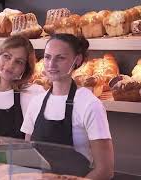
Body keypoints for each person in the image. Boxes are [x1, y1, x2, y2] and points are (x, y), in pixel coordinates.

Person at [21, 33, 114, 179]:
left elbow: (105, 170)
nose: (51, 64)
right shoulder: (36, 102)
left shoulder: (90, 105)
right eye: (47, 57)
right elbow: (28, 157)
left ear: (77, 60)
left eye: (60, 58)